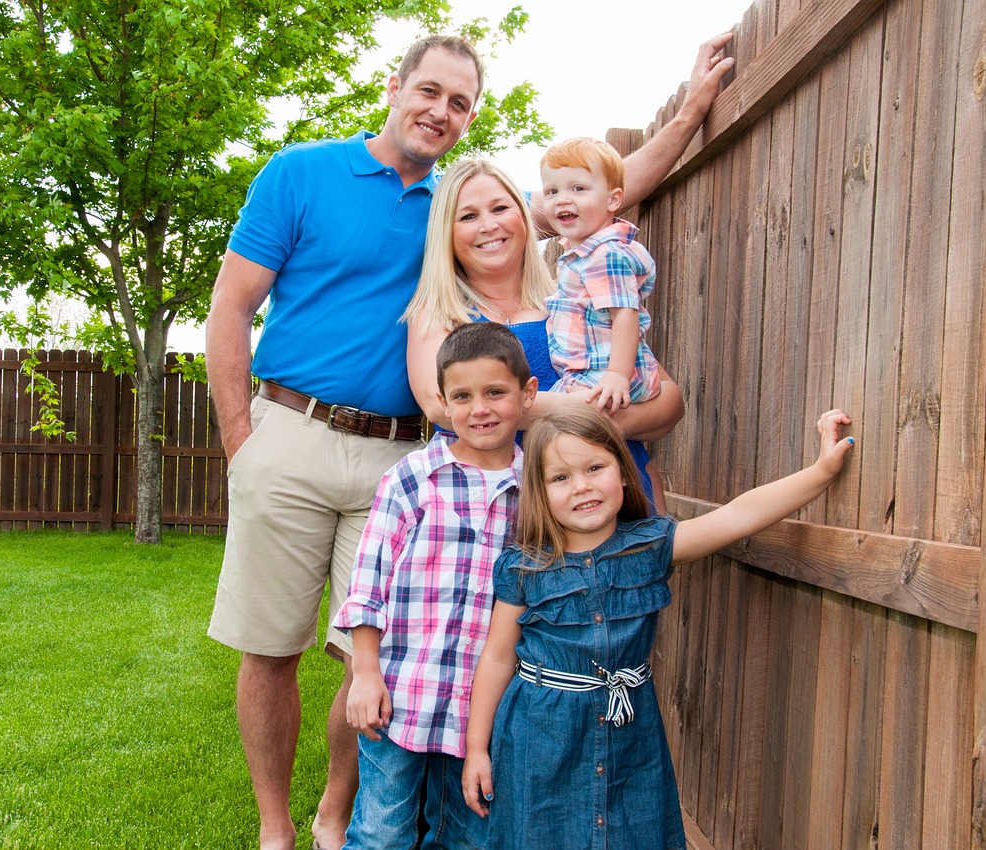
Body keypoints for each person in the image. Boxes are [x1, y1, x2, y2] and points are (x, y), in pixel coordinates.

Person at [205, 30, 737, 850]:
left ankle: (351, 811)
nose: (441, 111)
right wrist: (244, 442)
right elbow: (236, 309)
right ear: (395, 86)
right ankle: (288, 829)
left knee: (398, 656)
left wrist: (698, 106)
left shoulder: (508, 244)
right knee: (280, 645)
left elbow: (604, 192)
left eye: (459, 103)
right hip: (308, 434)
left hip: (473, 480)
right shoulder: (312, 178)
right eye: (430, 93)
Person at [461, 407, 856, 848]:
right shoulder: (524, 567)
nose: (583, 487)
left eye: (596, 467)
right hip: (541, 738)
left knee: (636, 832)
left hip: (632, 735)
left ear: (624, 474)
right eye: (561, 478)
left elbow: (739, 515)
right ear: (539, 491)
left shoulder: (650, 547)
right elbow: (497, 656)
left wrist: (821, 471)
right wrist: (477, 749)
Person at [333, 322, 535, 849]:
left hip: (484, 708)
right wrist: (365, 673)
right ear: (442, 403)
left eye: (495, 392)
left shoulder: (536, 489)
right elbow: (368, 581)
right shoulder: (412, 478)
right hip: (402, 696)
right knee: (382, 832)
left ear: (527, 394)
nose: (480, 408)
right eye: (462, 396)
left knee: (472, 835)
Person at [403, 158, 674, 510]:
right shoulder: (436, 313)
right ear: (446, 232)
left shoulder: (573, 298)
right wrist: (589, 414)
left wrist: (618, 420)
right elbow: (439, 406)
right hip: (499, 503)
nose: (489, 225)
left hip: (608, 495)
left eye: (500, 208)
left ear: (525, 218)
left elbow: (668, 399)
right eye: (468, 216)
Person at [540, 137, 661, 410]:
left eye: (578, 188)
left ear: (612, 199)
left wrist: (617, 375)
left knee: (542, 413)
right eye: (551, 191)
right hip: (589, 372)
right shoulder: (583, 253)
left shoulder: (605, 254)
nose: (562, 199)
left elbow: (625, 315)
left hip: (605, 375)